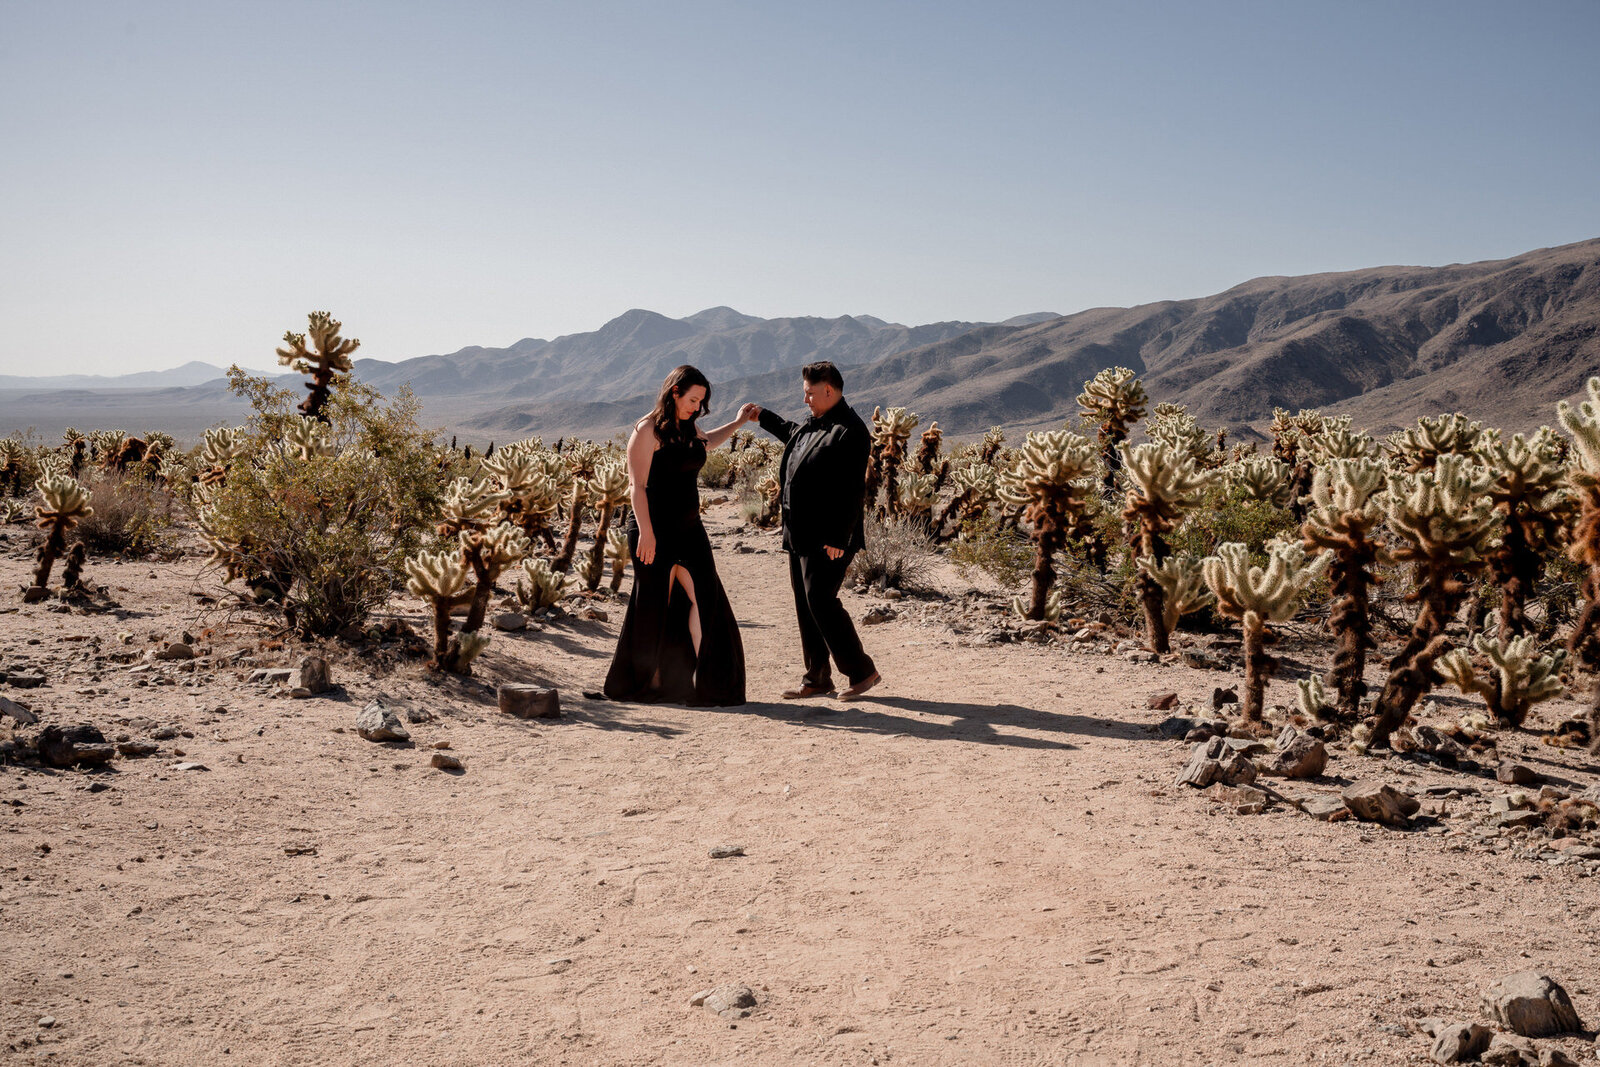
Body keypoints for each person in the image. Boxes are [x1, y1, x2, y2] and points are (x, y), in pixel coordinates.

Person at [604, 365, 751, 706]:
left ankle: (708, 684)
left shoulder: (689, 428)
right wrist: (646, 533)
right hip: (652, 529)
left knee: (706, 598)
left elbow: (707, 441)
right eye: (692, 400)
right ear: (674, 393)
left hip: (689, 530)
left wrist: (738, 423)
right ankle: (648, 682)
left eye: (701, 402)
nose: (696, 407)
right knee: (653, 606)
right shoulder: (647, 430)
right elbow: (636, 487)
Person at [741, 361, 881, 701]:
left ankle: (862, 671)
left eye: (809, 393)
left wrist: (839, 537)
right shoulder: (816, 424)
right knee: (806, 603)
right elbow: (793, 433)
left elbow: (853, 491)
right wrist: (763, 416)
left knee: (821, 600)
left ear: (828, 390)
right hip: (800, 531)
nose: (805, 400)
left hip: (830, 536)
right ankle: (817, 676)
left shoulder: (850, 430)